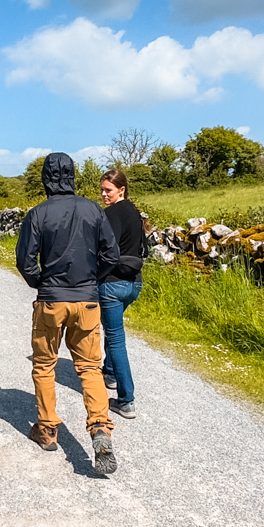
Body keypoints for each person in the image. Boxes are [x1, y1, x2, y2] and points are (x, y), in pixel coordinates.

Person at [15, 152, 121, 474]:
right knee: (90, 367)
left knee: (45, 364)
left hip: (50, 299)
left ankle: (47, 429)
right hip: (87, 300)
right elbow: (112, 254)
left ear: (46, 179)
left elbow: (25, 260)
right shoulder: (93, 209)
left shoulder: (37, 214)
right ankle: (100, 427)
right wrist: (92, 280)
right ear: (73, 176)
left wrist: (42, 283)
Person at [98, 169, 145, 419]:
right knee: (113, 328)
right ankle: (110, 372)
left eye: (109, 190)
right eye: (102, 190)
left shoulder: (112, 213)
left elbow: (108, 251)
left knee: (115, 337)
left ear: (121, 190)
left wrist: (96, 274)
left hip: (112, 284)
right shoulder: (135, 213)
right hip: (134, 283)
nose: (104, 194)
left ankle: (126, 400)